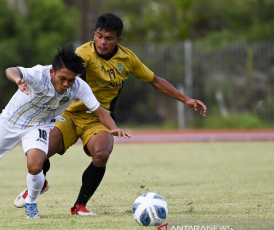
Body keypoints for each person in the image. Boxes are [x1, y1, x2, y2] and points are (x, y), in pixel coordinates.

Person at [13, 13, 207, 215]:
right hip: (69, 115)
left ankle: (79, 206)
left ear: (118, 40)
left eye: (109, 38)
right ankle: (38, 184)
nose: (102, 42)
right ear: (94, 35)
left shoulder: (127, 59)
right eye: (99, 36)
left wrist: (186, 99)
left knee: (101, 153)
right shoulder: (83, 53)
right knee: (41, 152)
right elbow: (64, 77)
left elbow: (154, 80)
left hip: (99, 118)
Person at [0, 44, 130, 219]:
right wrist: (18, 80)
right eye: (63, 78)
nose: (66, 84)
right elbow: (11, 70)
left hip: (39, 125)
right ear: (52, 72)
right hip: (11, 122)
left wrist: (113, 128)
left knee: (35, 165)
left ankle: (31, 203)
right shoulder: (39, 74)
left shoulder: (79, 86)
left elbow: (99, 111)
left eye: (71, 80)